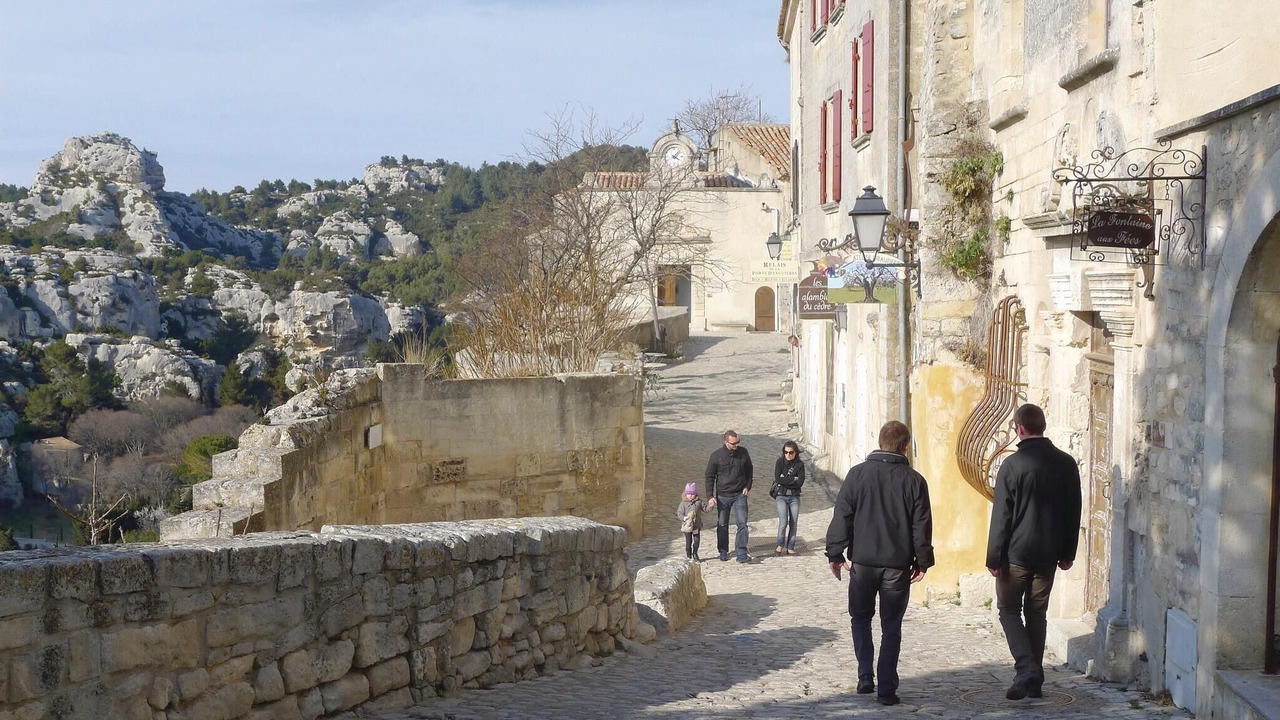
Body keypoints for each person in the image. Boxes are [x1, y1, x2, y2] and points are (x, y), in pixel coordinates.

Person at [825, 421, 933, 707]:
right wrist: (923, 560)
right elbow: (921, 525)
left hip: (863, 562)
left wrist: (835, 553)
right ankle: (886, 688)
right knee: (891, 626)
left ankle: (865, 675)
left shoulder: (857, 474)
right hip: (896, 565)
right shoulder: (914, 481)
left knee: (860, 618)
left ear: (880, 441)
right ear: (905, 446)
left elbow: (843, 515)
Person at [986, 403, 1082, 701]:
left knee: (1009, 610)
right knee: (1037, 613)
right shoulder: (1066, 463)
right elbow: (1073, 511)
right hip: (1048, 553)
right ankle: (1033, 681)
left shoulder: (1012, 466)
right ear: (1042, 426)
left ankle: (1027, 668)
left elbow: (1002, 515)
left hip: (1016, 553)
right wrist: (1068, 551)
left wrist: (994, 557)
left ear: (1019, 428)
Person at [706, 430, 754, 563]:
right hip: (723, 495)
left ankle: (741, 552)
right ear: (726, 442)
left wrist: (748, 486)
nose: (736, 445)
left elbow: (749, 470)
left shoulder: (743, 452)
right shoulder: (716, 456)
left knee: (742, 523)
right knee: (722, 524)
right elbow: (709, 476)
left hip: (740, 494)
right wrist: (710, 496)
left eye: (738, 442)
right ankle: (723, 550)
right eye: (733, 443)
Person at [773, 440, 805, 555]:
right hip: (781, 496)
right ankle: (780, 545)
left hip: (794, 497)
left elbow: (800, 482)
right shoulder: (780, 462)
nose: (788, 455)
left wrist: (785, 480)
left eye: (791, 452)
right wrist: (793, 479)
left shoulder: (800, 465)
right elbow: (778, 479)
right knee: (783, 522)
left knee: (793, 522)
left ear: (795, 452)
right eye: (786, 452)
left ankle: (790, 547)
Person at [676, 482, 711, 561]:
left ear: (695, 494)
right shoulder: (683, 503)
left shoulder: (699, 502)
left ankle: (695, 553)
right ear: (686, 494)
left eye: (692, 494)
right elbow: (679, 513)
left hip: (696, 526)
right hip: (687, 527)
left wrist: (711, 506)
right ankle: (688, 555)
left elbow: (706, 509)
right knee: (688, 542)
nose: (690, 496)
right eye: (688, 494)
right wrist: (684, 518)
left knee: (697, 541)